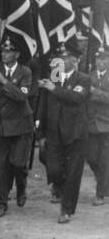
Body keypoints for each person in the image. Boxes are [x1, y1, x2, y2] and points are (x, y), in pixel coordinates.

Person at [36, 38, 91, 223]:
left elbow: (76, 97)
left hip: (75, 135)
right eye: (60, 57)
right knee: (54, 169)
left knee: (73, 174)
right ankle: (58, 188)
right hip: (54, 134)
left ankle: (66, 210)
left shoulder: (83, 79)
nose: (61, 60)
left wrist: (53, 89)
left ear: (74, 61)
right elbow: (43, 107)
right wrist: (41, 134)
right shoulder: (53, 78)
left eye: (65, 58)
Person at [0, 35, 35, 215]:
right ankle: (1, 203)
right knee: (2, 166)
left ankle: (21, 188)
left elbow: (22, 96)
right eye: (3, 51)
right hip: (1, 127)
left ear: (17, 54)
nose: (5, 54)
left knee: (18, 164)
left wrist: (3, 80)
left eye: (9, 51)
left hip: (22, 126)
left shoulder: (25, 72)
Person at [88, 49, 109, 205]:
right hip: (91, 124)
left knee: (104, 160)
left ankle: (100, 193)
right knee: (91, 158)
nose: (100, 62)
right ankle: (103, 181)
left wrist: (96, 92)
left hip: (107, 124)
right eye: (98, 60)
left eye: (104, 59)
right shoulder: (90, 76)